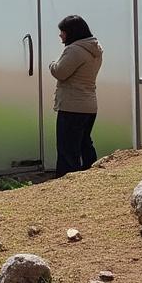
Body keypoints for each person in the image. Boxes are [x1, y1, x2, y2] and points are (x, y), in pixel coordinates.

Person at [50, 14, 102, 177]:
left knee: (67, 149)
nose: (60, 35)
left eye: (63, 31)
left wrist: (52, 64)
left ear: (71, 32)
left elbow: (60, 72)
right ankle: (91, 175)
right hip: (89, 105)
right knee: (85, 143)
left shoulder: (74, 50)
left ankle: (65, 181)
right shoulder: (95, 48)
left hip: (72, 106)